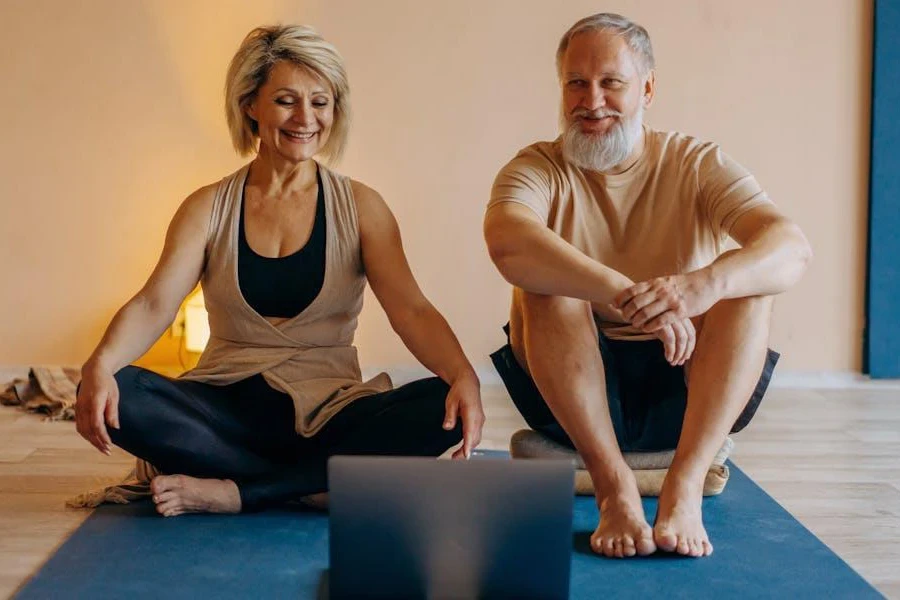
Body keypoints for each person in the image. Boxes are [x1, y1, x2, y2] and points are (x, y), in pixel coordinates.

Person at [75, 25, 484, 517]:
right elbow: (154, 303)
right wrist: (98, 367)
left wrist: (464, 376)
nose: (306, 119)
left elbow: (412, 310)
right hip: (225, 406)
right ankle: (315, 484)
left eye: (320, 102)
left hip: (328, 407)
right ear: (251, 104)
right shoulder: (207, 207)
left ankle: (237, 490)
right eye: (287, 101)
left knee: (444, 405)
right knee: (127, 393)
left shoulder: (362, 208)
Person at [484, 13, 812, 558]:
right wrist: (623, 294)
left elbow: (790, 247)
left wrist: (699, 287)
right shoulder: (536, 167)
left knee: (748, 282)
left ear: (648, 88)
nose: (592, 101)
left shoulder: (696, 163)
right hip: (572, 398)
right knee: (542, 282)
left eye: (611, 82)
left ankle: (684, 486)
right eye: (576, 83)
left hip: (683, 389)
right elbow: (507, 240)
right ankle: (614, 488)